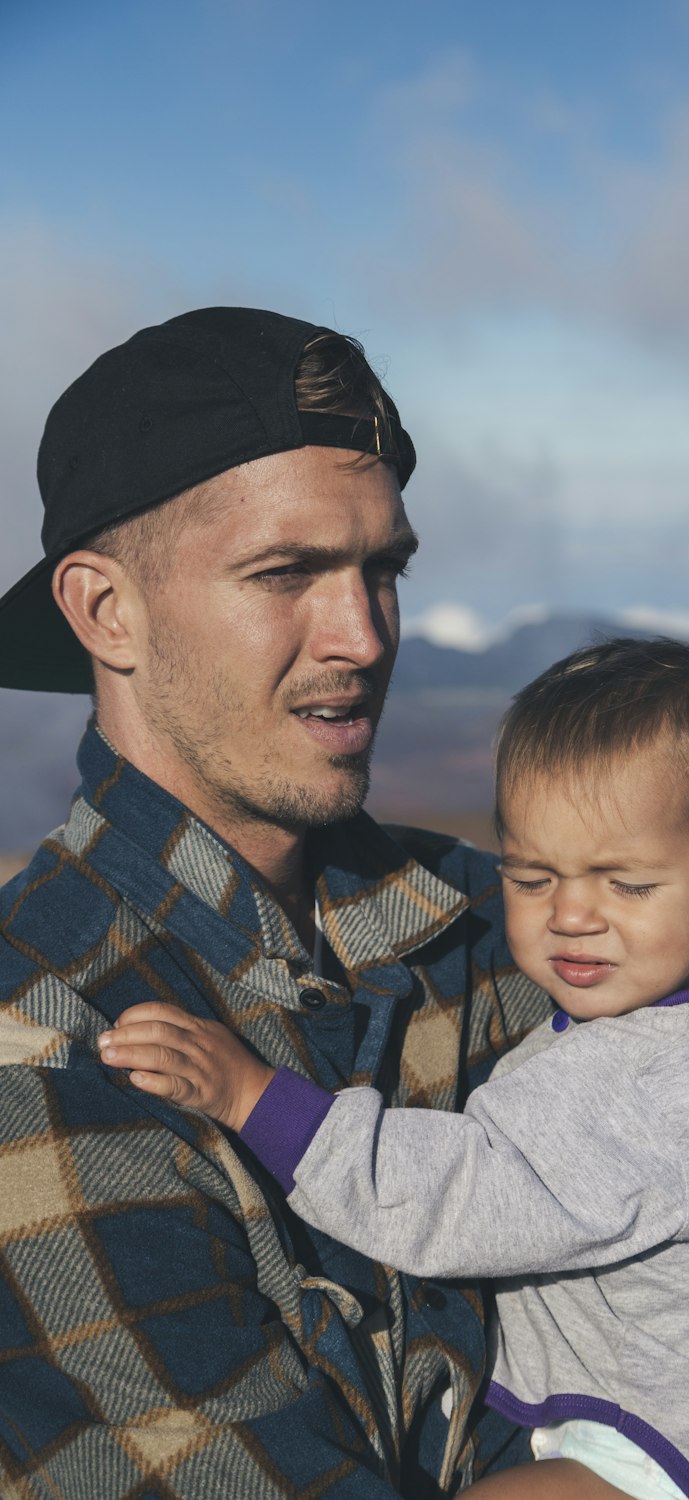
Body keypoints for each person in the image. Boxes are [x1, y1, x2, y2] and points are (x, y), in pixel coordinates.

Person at [0, 307, 584, 1498]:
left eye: (383, 569)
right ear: (107, 612)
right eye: (285, 573)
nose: (363, 636)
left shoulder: (493, 925)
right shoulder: (39, 1029)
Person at [98, 638, 689, 1500]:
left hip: (666, 1458)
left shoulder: (667, 1080)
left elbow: (465, 1194)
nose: (573, 915)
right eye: (532, 878)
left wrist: (256, 1098)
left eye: (628, 886)